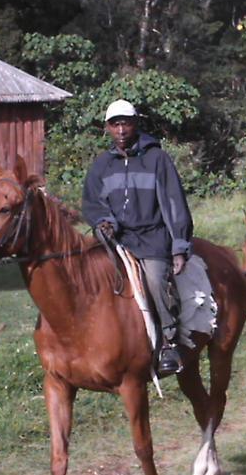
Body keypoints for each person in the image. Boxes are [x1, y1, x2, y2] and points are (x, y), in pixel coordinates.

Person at [82, 99, 193, 376]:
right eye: (115, 124)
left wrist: (179, 246)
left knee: (156, 280)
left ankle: (168, 342)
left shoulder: (157, 159)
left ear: (135, 124)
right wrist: (104, 222)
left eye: (126, 123)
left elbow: (175, 203)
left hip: (152, 238)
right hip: (116, 241)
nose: (121, 129)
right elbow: (92, 203)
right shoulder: (102, 165)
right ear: (107, 128)